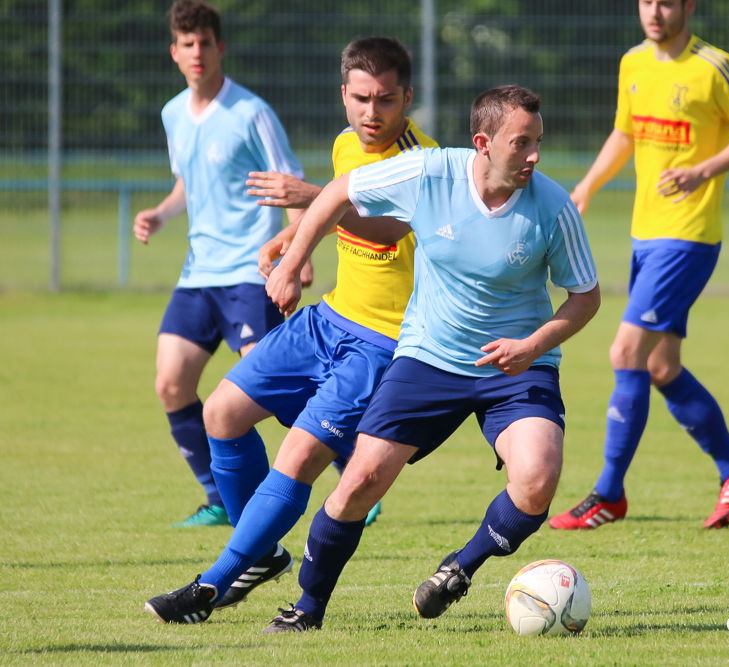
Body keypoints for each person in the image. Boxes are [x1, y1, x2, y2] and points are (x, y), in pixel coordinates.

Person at [145, 85, 601, 633]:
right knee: (358, 480)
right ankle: (306, 609)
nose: (533, 156)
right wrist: (294, 258)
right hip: (428, 356)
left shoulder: (552, 207)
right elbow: (341, 191)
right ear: (482, 143)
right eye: (520, 143)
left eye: (537, 142)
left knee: (537, 480)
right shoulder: (431, 172)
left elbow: (586, 297)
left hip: (516, 367)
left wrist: (533, 346)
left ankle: (459, 569)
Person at [144, 37, 436, 620]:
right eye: (360, 99)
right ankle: (263, 553)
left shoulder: (421, 160)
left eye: (384, 100)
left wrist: (314, 199)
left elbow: (387, 230)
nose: (371, 114)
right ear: (344, 96)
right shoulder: (345, 144)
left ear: (408, 97)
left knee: (297, 458)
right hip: (327, 320)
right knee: (220, 414)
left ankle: (211, 586)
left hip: (382, 344)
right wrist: (291, 244)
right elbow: (335, 217)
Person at [548, 0, 729, 531]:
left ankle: (608, 494)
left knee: (625, 350)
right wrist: (585, 188)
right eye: (647, 1)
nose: (654, 11)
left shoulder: (714, 66)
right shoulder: (633, 63)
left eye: (667, 1)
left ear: (688, 6)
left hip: (688, 235)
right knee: (659, 366)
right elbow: (625, 134)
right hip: (645, 234)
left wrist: (703, 171)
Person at [133, 0, 305, 528]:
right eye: (187, 44)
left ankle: (353, 467)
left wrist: (297, 252)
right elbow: (188, 180)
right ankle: (219, 498)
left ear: (220, 47)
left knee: (268, 387)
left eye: (205, 42)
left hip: (248, 272)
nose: (197, 52)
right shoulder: (171, 114)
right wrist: (162, 213)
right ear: (174, 53)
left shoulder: (251, 111)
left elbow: (291, 180)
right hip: (198, 274)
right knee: (171, 384)